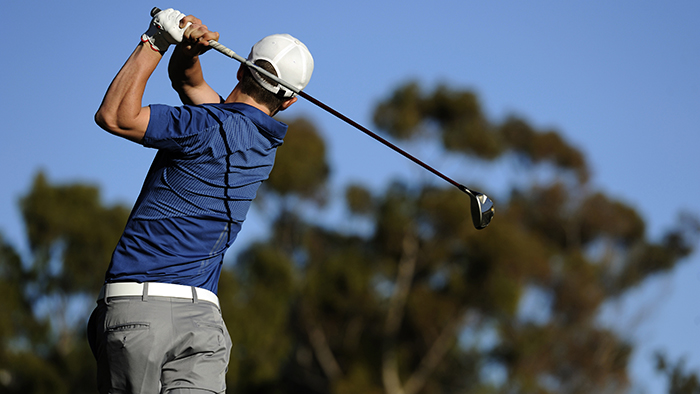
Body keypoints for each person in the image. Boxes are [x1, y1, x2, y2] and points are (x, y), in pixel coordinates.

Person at [87, 8, 314, 394]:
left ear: (241, 70)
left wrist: (158, 40)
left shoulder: (203, 125)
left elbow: (115, 116)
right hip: (202, 322)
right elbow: (188, 81)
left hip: (136, 311)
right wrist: (188, 52)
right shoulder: (263, 144)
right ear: (289, 102)